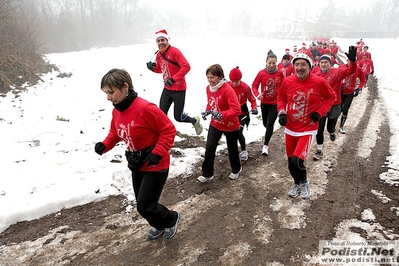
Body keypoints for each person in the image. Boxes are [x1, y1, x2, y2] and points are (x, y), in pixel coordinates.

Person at [94, 68, 180, 240]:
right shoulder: (117, 110)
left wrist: (157, 152)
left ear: (125, 87)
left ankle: (171, 219)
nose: (108, 97)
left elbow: (169, 130)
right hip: (137, 163)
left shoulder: (145, 108)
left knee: (145, 206)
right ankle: (159, 224)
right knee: (144, 204)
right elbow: (116, 133)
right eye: (106, 93)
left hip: (156, 164)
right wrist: (105, 145)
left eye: (111, 92)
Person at [277, 53, 336, 199]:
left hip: (308, 129)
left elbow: (331, 97)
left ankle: (304, 182)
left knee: (298, 161)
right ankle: (297, 183)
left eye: (303, 64)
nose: (299, 67)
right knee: (291, 163)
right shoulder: (288, 81)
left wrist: (320, 112)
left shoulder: (319, 82)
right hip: (291, 128)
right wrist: (282, 112)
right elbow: (281, 98)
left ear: (310, 66)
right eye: (297, 65)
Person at [146, 29, 202, 135]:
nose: (160, 43)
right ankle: (165, 134)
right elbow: (161, 69)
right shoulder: (158, 55)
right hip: (167, 89)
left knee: (178, 117)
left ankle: (194, 121)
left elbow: (186, 66)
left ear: (167, 40)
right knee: (161, 114)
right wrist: (152, 68)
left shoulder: (174, 51)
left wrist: (173, 79)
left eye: (163, 40)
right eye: (158, 41)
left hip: (179, 89)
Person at [197, 64, 242, 183]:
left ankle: (236, 169)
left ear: (220, 77)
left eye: (212, 77)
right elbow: (211, 103)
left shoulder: (227, 90)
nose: (209, 80)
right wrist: (207, 111)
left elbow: (237, 109)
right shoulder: (208, 88)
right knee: (210, 148)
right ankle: (207, 174)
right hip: (216, 124)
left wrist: (222, 114)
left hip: (231, 125)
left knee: (232, 149)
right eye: (208, 77)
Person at [312, 47, 357, 160]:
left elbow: (351, 70)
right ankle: (319, 150)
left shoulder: (336, 72)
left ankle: (332, 132)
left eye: (326, 62)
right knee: (320, 128)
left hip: (335, 104)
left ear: (330, 64)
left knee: (329, 127)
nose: (323, 64)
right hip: (322, 106)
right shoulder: (316, 75)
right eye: (321, 62)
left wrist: (353, 61)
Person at [252, 52, 285, 156]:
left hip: (275, 103)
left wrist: (283, 98)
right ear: (266, 62)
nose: (271, 65)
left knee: (270, 123)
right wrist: (257, 95)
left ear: (276, 63)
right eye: (270, 63)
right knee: (265, 124)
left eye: (273, 63)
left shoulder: (280, 73)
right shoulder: (261, 73)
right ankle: (269, 132)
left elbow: (285, 86)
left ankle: (265, 146)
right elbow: (254, 86)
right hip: (264, 102)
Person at [227, 66, 258, 161]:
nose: (235, 83)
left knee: (239, 132)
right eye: (233, 81)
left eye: (237, 81)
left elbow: (252, 99)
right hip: (231, 113)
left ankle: (244, 150)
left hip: (242, 112)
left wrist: (254, 108)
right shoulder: (227, 86)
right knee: (230, 133)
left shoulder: (245, 87)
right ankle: (232, 149)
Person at [338, 59, 366, 134]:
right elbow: (335, 78)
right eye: (349, 61)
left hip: (349, 93)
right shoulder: (341, 67)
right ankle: (333, 126)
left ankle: (341, 126)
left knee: (345, 109)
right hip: (340, 92)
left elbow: (363, 80)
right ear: (346, 60)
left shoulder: (358, 69)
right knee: (338, 110)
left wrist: (359, 88)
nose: (350, 62)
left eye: (352, 61)